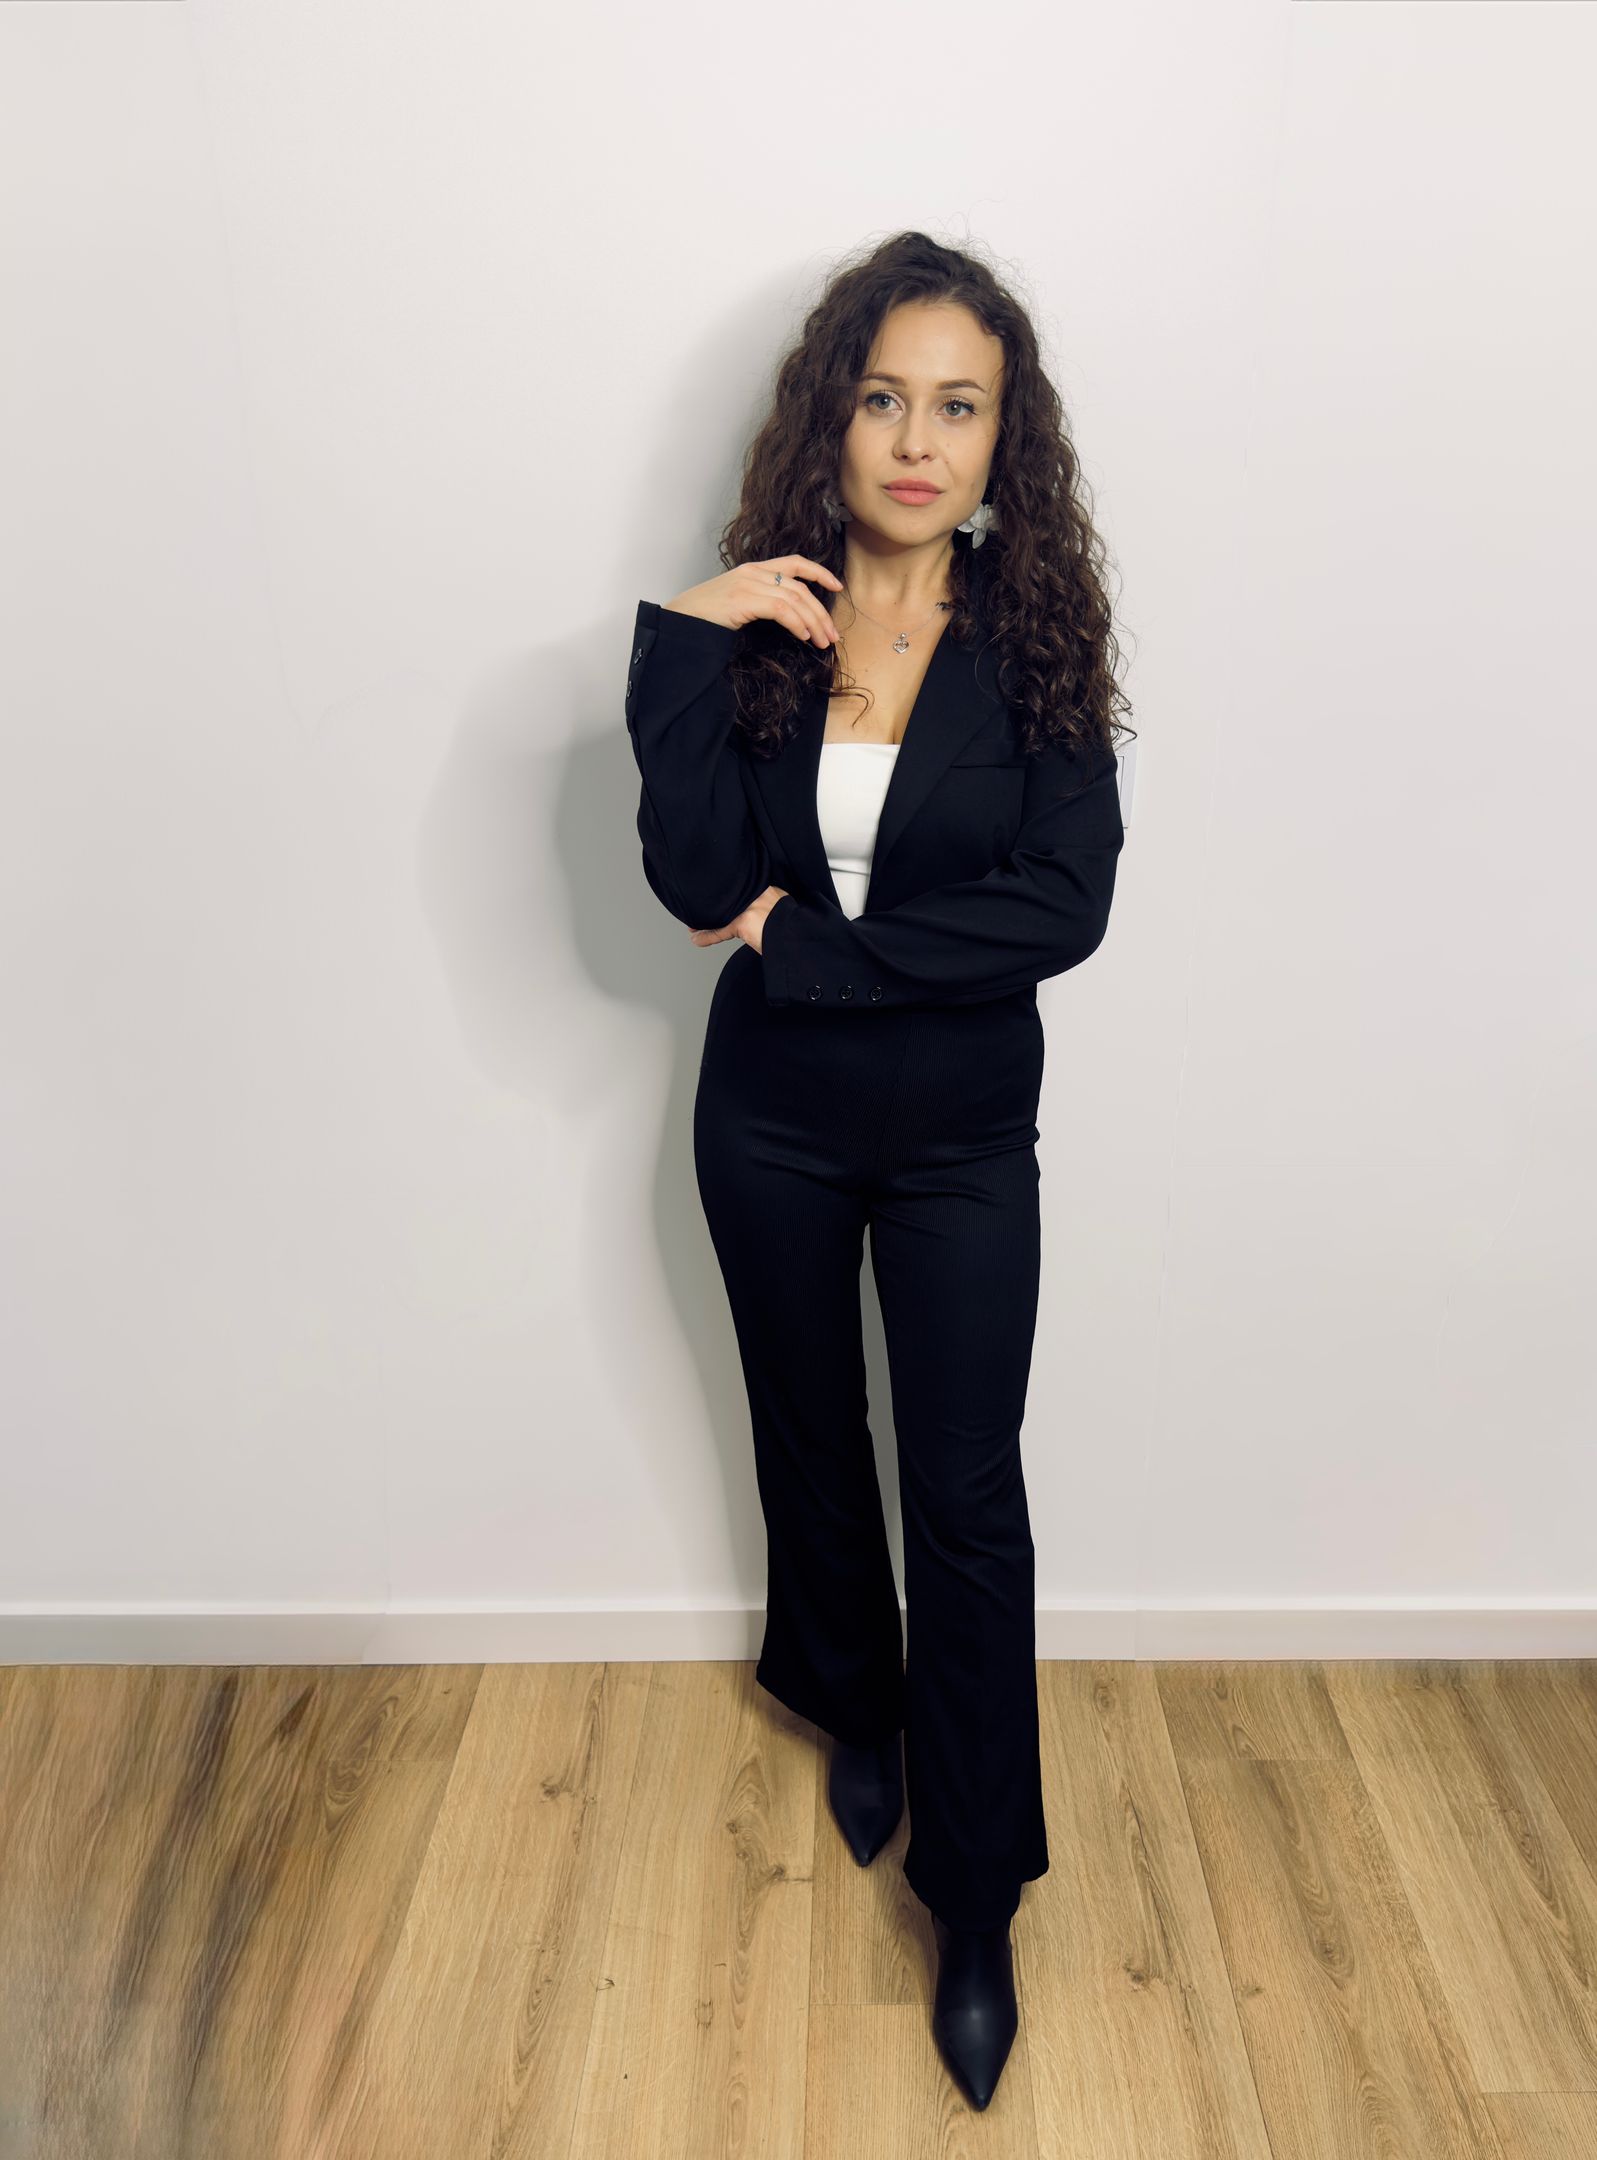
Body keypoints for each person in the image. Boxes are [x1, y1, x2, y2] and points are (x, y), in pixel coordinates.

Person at [623, 230, 1132, 2112]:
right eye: (885, 398)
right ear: (831, 418)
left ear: (1004, 439)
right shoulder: (767, 627)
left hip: (956, 1132)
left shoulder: (1034, 636)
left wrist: (814, 954)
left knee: (966, 1491)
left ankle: (974, 1889)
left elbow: (1057, 907)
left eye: (958, 406)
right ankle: (851, 1696)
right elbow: (694, 879)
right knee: (807, 1431)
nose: (917, 442)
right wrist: (686, 637)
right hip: (765, 1116)